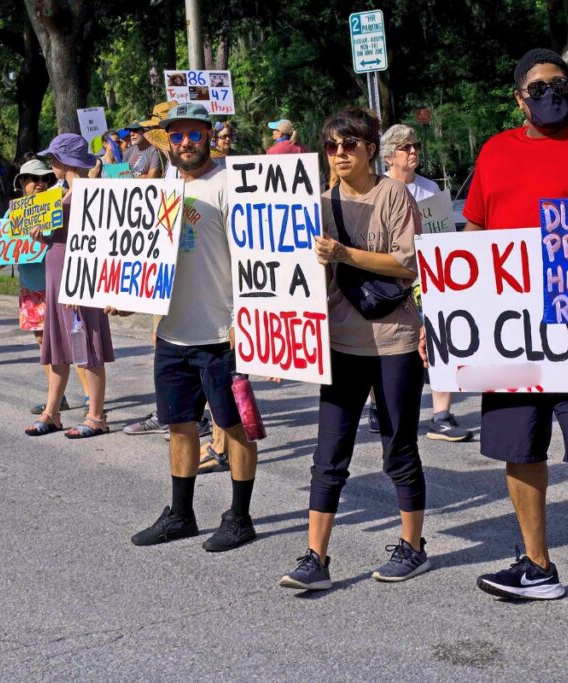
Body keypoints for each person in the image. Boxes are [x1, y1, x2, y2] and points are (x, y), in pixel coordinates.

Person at [454, 48, 568, 613]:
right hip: (508, 333)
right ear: (519, 98)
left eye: (559, 84)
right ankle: (537, 565)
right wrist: (444, 312)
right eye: (538, 87)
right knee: (519, 449)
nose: (550, 93)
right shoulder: (496, 150)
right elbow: (477, 231)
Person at [279, 107, 429, 590]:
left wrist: (344, 253)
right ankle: (314, 557)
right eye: (331, 146)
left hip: (393, 341)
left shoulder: (394, 195)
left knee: (398, 447)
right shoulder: (317, 202)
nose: (340, 153)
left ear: (370, 148)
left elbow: (408, 266)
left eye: (350, 144)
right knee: (329, 453)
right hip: (340, 341)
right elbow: (295, 278)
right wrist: (280, 334)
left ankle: (413, 546)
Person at [129, 102, 258, 552]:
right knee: (179, 425)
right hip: (172, 332)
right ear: (169, 141)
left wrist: (246, 318)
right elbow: (143, 258)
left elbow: (254, 257)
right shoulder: (159, 188)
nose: (186, 143)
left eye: (194, 134)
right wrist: (130, 297)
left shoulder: (230, 184)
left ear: (209, 135)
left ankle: (240, 518)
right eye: (177, 136)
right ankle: (181, 515)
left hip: (222, 334)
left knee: (234, 426)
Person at [381, 123, 472, 443]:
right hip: (390, 281)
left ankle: (441, 415)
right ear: (389, 156)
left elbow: (444, 233)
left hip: (430, 279)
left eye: (415, 145)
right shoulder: (379, 189)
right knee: (390, 347)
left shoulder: (429, 188)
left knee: (439, 341)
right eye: (406, 148)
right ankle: (380, 406)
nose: (413, 152)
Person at [24, 134, 113, 438]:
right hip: (56, 276)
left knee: (86, 346)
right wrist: (41, 236)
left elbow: (96, 241)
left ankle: (96, 416)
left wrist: (82, 281)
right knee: (58, 347)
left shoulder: (91, 193)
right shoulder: (56, 193)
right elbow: (56, 235)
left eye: (53, 159)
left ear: (65, 161)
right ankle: (52, 413)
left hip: (80, 278)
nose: (50, 164)